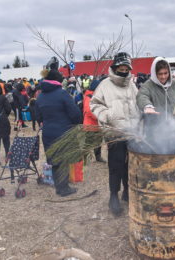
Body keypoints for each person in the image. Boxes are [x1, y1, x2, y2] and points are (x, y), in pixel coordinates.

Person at [90, 52, 140, 216]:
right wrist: (107, 116)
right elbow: (94, 104)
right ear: (115, 67)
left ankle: (127, 191)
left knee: (130, 165)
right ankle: (113, 196)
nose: (124, 70)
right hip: (114, 132)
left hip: (132, 132)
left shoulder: (132, 85)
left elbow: (139, 103)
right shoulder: (105, 85)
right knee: (115, 166)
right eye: (121, 67)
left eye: (126, 68)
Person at [35, 57, 82, 197]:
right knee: (64, 160)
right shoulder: (62, 94)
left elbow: (38, 117)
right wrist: (75, 123)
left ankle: (59, 185)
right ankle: (63, 188)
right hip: (63, 132)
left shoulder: (40, 96)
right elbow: (75, 114)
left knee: (55, 160)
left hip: (48, 132)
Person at [137, 57, 175, 124]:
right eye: (160, 74)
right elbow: (142, 96)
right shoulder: (148, 85)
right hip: (155, 129)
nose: (163, 77)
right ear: (154, 73)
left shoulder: (174, 85)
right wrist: (147, 106)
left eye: (165, 73)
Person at [83, 78, 105, 162]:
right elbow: (88, 111)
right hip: (90, 125)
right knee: (88, 143)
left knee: (98, 143)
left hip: (97, 125)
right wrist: (99, 116)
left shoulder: (97, 97)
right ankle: (85, 158)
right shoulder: (89, 97)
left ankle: (98, 157)